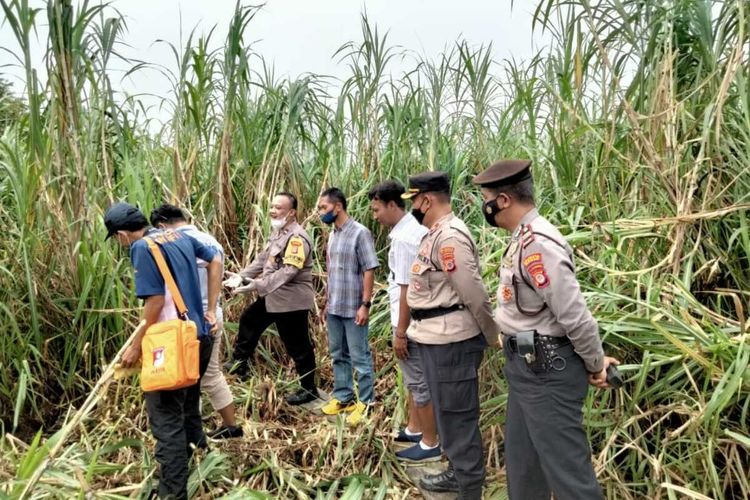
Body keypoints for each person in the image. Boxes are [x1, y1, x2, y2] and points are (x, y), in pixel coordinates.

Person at [473, 159, 620, 500]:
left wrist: (596, 364)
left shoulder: (539, 244)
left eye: (486, 199)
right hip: (526, 368)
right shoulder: (522, 238)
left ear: (504, 201)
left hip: (546, 371)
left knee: (570, 477)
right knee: (524, 469)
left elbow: (575, 316)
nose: (486, 207)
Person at [105, 202, 222, 499]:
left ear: (121, 234)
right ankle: (201, 459)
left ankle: (173, 492)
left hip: (172, 343)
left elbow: (154, 302)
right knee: (189, 404)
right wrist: (211, 309)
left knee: (166, 417)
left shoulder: (142, 247)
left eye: (117, 239)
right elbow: (216, 260)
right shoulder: (177, 235)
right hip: (199, 335)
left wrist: (135, 346)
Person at [402, 172, 500, 499]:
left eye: (414, 201)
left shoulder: (450, 237)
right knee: (447, 414)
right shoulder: (434, 235)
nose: (413, 208)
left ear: (426, 200)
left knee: (458, 418)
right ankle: (456, 473)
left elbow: (473, 292)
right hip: (435, 338)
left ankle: (468, 487)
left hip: (451, 342)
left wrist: (491, 334)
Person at [150, 204, 242, 439]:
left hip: (187, 320)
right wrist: (211, 308)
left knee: (187, 378)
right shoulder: (212, 241)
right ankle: (231, 427)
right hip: (213, 314)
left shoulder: (172, 242)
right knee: (211, 374)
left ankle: (191, 435)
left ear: (161, 226)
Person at [222, 192, 319, 406]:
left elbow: (288, 271)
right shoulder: (279, 233)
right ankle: (239, 364)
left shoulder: (297, 239)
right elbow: (263, 260)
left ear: (292, 213)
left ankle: (309, 389)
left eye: (279, 208)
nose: (273, 211)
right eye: (272, 207)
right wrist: (242, 276)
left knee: (297, 344)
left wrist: (257, 285)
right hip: (273, 296)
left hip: (291, 301)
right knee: (250, 319)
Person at [367, 180, 440, 462]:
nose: (375, 216)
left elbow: (408, 287)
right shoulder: (410, 231)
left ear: (393, 205)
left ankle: (430, 442)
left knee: (419, 381)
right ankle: (415, 428)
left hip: (409, 322)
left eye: (376, 210)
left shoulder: (405, 238)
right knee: (412, 379)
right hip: (411, 320)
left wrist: (400, 332)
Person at [317, 187, 379, 425]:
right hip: (334, 306)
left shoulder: (359, 233)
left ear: (338, 206)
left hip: (354, 307)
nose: (321, 212)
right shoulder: (333, 234)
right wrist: (326, 302)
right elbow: (332, 272)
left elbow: (369, 269)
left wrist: (365, 304)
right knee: (337, 355)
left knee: (359, 357)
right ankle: (344, 397)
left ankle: (366, 402)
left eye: (324, 208)